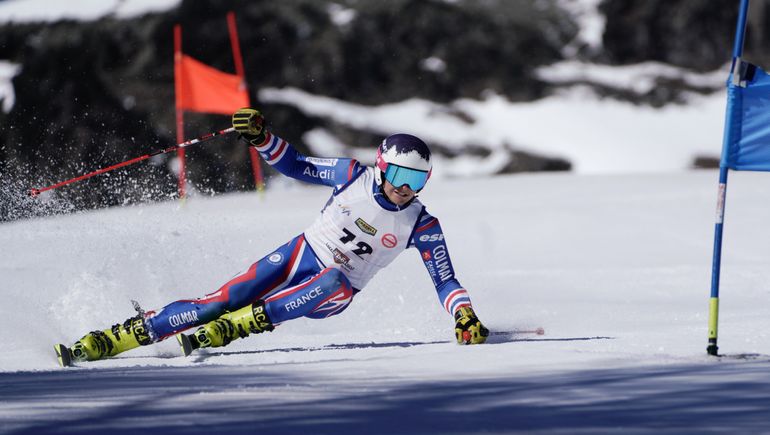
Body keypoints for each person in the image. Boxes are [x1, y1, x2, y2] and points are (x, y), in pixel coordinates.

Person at [54, 108, 489, 367]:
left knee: (335, 279)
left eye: (417, 179)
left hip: (333, 292)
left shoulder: (421, 223)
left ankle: (236, 329)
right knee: (222, 300)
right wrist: (262, 138)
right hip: (300, 253)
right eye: (398, 174)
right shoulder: (352, 175)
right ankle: (122, 335)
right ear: (381, 165)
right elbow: (298, 165)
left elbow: (445, 280)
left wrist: (463, 316)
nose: (404, 187)